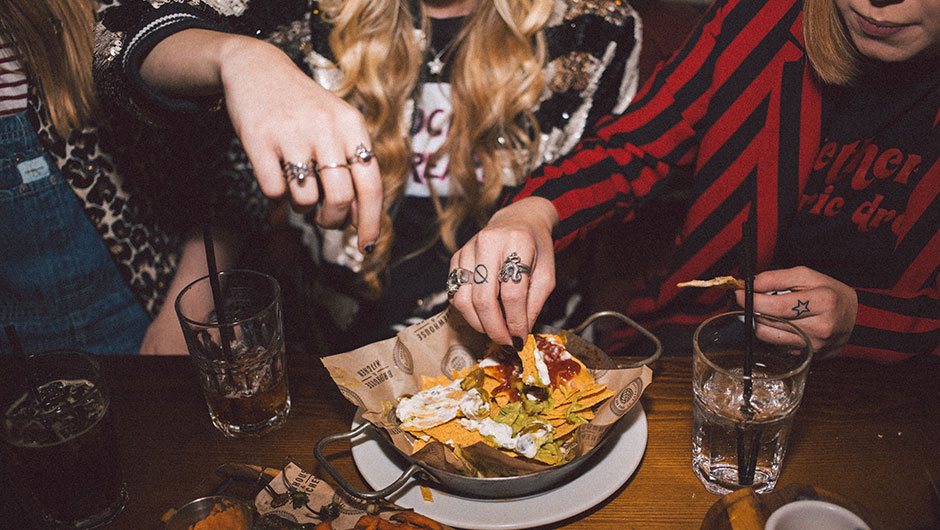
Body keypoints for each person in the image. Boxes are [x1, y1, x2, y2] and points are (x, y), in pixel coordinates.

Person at [96, 0, 643, 352]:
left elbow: (609, 189)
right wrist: (238, 58)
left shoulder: (597, 32)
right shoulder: (312, 12)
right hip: (349, 344)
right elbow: (116, 37)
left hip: (525, 348)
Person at [448, 0, 940, 362]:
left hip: (889, 395)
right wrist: (531, 211)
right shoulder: (759, 19)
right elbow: (633, 149)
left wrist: (862, 320)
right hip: (696, 345)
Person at [0, 0, 265, 355]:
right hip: (15, 350)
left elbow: (230, 171)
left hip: (150, 312)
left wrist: (186, 311)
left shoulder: (106, 16)